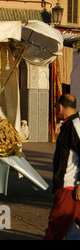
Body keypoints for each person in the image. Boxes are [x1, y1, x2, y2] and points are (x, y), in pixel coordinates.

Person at [44, 94, 80, 240]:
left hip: (69, 188)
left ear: (60, 107)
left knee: (55, 230)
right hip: (68, 187)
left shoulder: (75, 125)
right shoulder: (70, 124)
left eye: (56, 107)